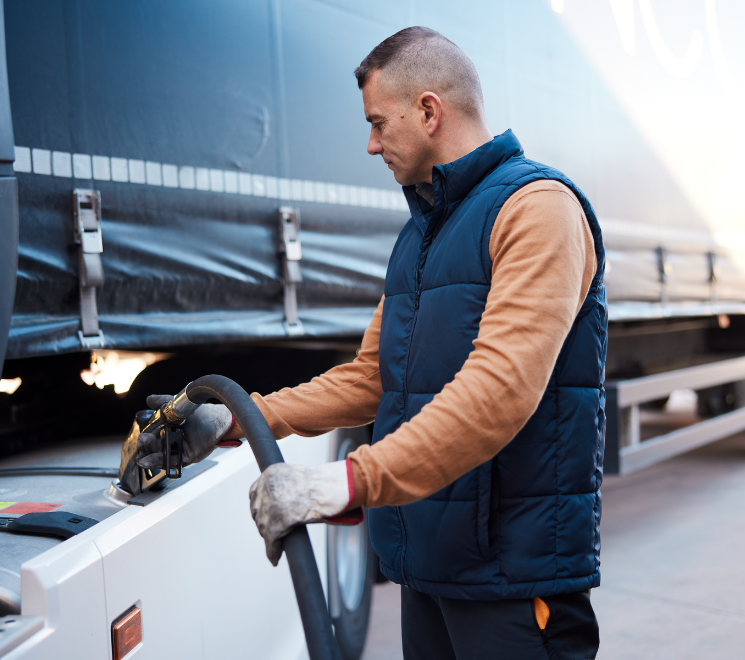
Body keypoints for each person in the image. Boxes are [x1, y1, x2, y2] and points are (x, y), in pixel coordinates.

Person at [137, 26, 605, 660]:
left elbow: (500, 391)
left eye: (380, 123)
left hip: (514, 581)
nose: (370, 143)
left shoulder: (537, 209)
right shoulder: (422, 235)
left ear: (430, 111)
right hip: (429, 567)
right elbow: (372, 378)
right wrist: (242, 418)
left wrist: (345, 483)